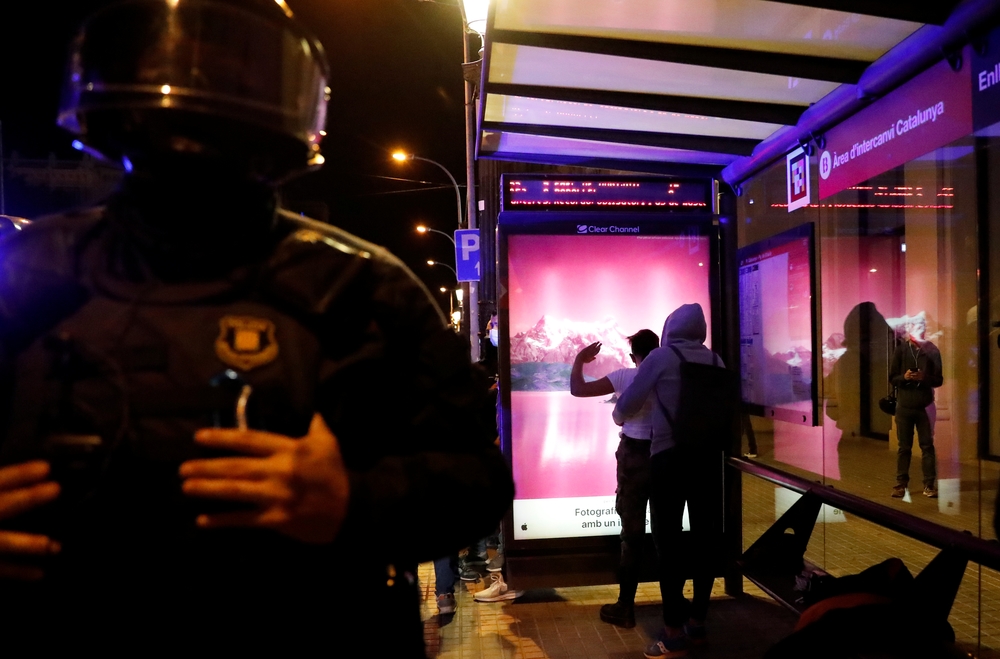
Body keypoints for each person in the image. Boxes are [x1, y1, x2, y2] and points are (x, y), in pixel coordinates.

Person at [0, 0, 513, 652]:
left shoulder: (359, 287)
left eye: (226, 65)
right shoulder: (29, 272)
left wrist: (352, 501)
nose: (195, 80)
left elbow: (477, 480)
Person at [613, 303, 725, 659]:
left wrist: (618, 414)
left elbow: (626, 406)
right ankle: (698, 624)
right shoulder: (715, 361)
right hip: (708, 460)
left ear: (670, 328)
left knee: (669, 545)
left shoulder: (661, 358)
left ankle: (672, 631)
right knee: (704, 541)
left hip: (668, 460)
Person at [570, 328, 659, 628]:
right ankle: (673, 602)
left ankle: (625, 606)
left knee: (631, 535)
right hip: (663, 454)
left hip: (633, 457)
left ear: (634, 355)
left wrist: (579, 361)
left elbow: (577, 389)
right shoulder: (667, 377)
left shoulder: (624, 377)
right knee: (665, 530)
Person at [889, 314, 943, 499]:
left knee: (927, 446)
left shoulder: (932, 351)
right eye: (913, 326)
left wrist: (924, 378)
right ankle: (901, 484)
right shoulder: (901, 350)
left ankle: (929, 484)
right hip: (904, 407)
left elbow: (939, 380)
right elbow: (892, 378)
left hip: (925, 407)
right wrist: (904, 377)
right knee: (904, 447)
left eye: (920, 326)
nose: (917, 329)